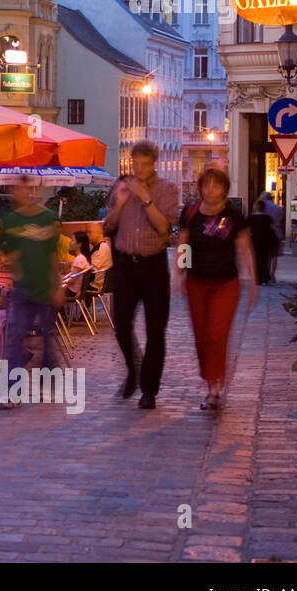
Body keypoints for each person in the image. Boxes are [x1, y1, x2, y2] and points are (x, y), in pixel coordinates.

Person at [101, 140, 180, 410]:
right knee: (121, 324)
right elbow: (108, 225)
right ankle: (133, 367)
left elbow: (163, 229)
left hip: (154, 265)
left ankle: (149, 389)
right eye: (135, 163)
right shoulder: (120, 186)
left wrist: (146, 198)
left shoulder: (167, 189)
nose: (139, 169)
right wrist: (121, 203)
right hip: (125, 265)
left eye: (145, 164)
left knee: (155, 330)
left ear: (154, 164)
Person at [175, 168, 259, 411]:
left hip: (226, 284)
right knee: (202, 336)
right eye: (206, 185)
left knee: (216, 334)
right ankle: (211, 379)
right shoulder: (191, 213)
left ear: (224, 188)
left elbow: (245, 248)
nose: (210, 189)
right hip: (196, 283)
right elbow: (184, 245)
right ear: (200, 188)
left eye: (216, 185)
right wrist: (179, 273)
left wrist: (252, 281)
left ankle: (215, 388)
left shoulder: (234, 216)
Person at [0, 177, 66, 410]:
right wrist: (15, 277)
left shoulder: (46, 217)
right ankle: (12, 392)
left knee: (47, 341)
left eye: (25, 188)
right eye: (16, 189)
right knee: (16, 338)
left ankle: (47, 387)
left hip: (45, 287)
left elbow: (52, 254)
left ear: (31, 190)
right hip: (23, 288)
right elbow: (10, 253)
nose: (21, 192)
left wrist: (57, 285)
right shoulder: (11, 221)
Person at [247, 200, 277, 285]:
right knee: (264, 259)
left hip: (254, 241)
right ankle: (265, 278)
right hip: (265, 241)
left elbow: (247, 230)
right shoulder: (268, 217)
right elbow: (272, 229)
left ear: (256, 207)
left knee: (255, 259)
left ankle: (258, 278)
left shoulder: (251, 218)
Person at [261, 191, 285, 279]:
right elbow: (281, 219)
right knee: (274, 256)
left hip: (265, 234)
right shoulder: (278, 208)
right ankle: (272, 274)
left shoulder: (262, 207)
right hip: (276, 233)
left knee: (265, 255)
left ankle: (265, 273)